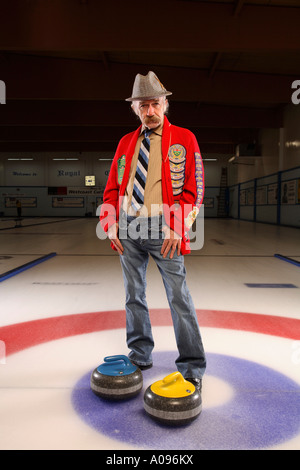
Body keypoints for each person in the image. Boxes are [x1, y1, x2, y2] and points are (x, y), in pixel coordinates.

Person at [100, 71, 206, 391]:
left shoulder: (184, 138)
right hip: (129, 228)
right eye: (143, 105)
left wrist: (178, 226)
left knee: (179, 297)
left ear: (166, 104)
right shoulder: (126, 143)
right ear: (135, 109)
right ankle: (140, 353)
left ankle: (191, 365)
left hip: (165, 229)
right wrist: (111, 223)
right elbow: (113, 187)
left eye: (155, 104)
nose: (150, 111)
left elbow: (195, 187)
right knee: (134, 295)